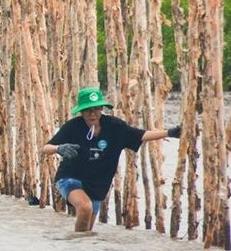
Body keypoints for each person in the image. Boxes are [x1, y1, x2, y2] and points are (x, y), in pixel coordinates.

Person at [43, 86, 181, 232]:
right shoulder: (73, 126)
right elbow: (46, 148)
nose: (92, 114)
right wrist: (59, 148)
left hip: (97, 185)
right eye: (87, 110)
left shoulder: (114, 126)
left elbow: (140, 135)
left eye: (96, 109)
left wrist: (170, 133)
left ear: (102, 108)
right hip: (70, 178)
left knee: (86, 231)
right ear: (81, 111)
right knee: (85, 207)